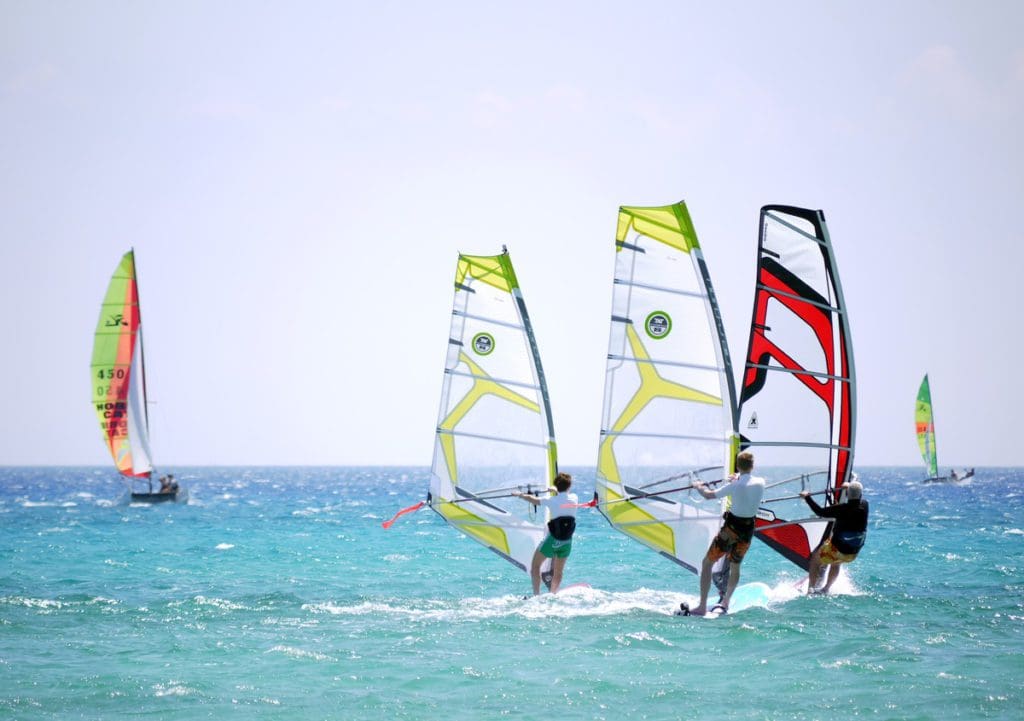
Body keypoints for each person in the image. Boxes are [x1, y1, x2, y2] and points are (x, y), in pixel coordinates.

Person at [683, 451, 765, 616]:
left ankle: (702, 606)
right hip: (748, 530)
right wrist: (738, 477)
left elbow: (708, 495)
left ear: (737, 465)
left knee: (707, 563)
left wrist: (698, 485)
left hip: (731, 530)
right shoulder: (760, 482)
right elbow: (746, 482)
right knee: (735, 567)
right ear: (753, 465)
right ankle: (726, 602)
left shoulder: (735, 485)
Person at [800, 477, 869, 594]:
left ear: (847, 495)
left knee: (815, 561)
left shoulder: (842, 509)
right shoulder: (865, 506)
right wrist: (849, 487)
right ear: (860, 495)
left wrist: (807, 497)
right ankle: (826, 588)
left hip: (837, 549)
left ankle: (810, 590)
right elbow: (856, 496)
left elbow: (820, 512)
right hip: (852, 553)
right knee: (836, 562)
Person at [515, 472, 577, 595]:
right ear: (569, 486)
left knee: (535, 567)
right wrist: (555, 490)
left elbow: (534, 500)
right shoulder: (574, 498)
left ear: (556, 485)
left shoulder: (550, 500)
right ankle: (553, 594)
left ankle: (536, 596)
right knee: (558, 572)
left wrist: (520, 495)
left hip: (553, 541)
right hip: (567, 542)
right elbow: (564, 495)